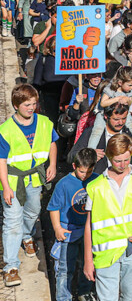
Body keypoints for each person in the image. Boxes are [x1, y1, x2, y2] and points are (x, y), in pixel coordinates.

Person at [82, 134, 132, 301]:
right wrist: (88, 260)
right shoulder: (95, 187)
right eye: (118, 161)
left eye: (126, 160)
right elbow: (89, 225)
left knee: (129, 297)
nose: (123, 165)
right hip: (105, 254)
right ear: (109, 157)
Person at [0, 84, 58, 287]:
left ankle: (27, 236)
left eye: (34, 103)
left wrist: (52, 164)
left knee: (33, 212)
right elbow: (1, 161)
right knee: (12, 221)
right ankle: (11, 267)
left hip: (35, 179)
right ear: (16, 105)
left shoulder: (44, 122)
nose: (31, 108)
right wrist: (6, 187)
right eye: (27, 104)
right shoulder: (5, 130)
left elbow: (52, 143)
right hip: (15, 182)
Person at [49, 148, 96, 301]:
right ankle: (63, 297)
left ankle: (84, 292)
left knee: (87, 264)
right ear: (75, 166)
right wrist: (57, 228)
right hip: (68, 230)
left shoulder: (97, 180)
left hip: (89, 231)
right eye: (82, 172)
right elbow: (54, 207)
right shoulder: (64, 184)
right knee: (64, 269)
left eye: (89, 172)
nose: (85, 176)